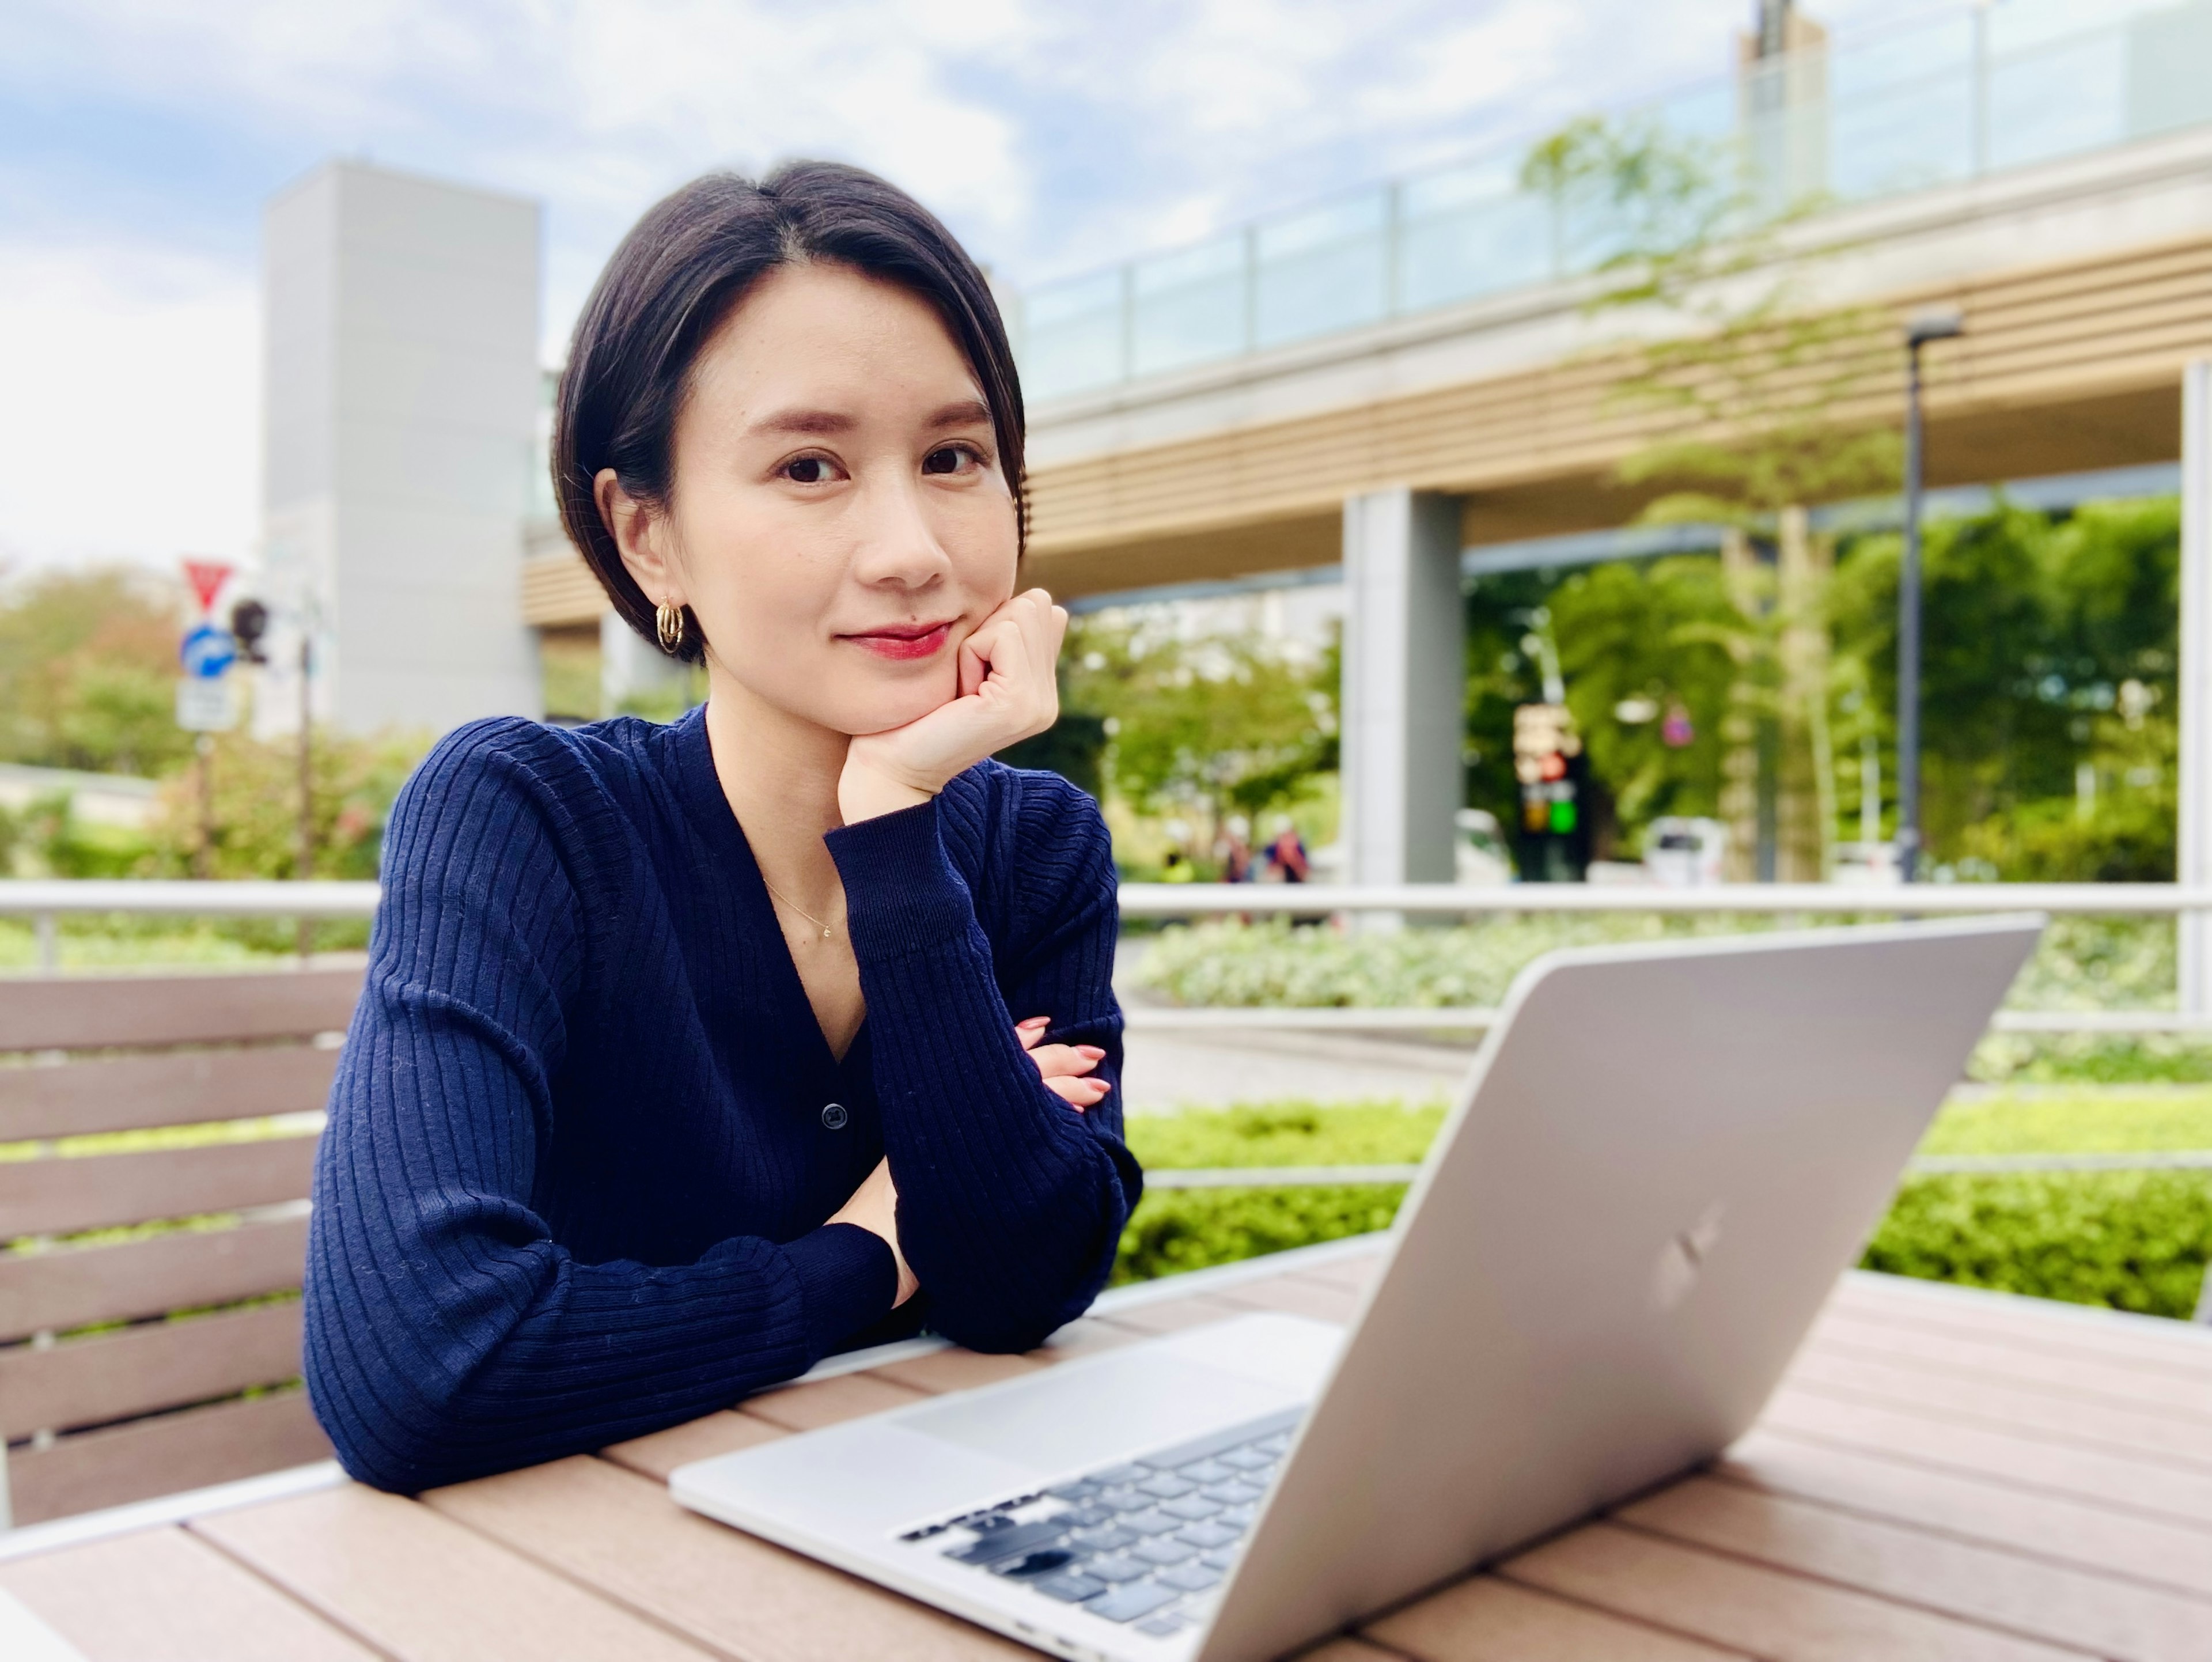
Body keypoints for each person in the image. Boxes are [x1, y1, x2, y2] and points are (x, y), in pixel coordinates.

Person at [302, 163, 1141, 1494]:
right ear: (650, 539)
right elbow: (423, 1373)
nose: (913, 546)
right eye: (810, 465)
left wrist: (893, 830)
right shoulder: (525, 816)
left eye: (954, 457)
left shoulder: (1035, 846)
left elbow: (1022, 1284)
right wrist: (860, 1256)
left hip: (919, 1539)